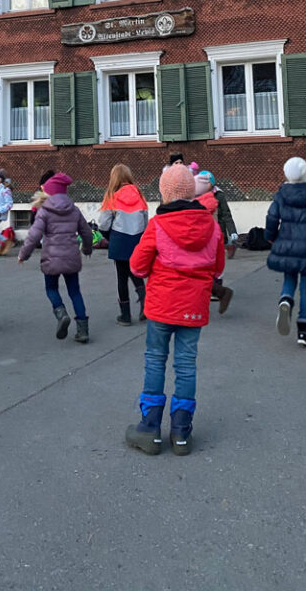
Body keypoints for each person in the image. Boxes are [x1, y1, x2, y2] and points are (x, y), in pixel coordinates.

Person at [124, 163, 224, 456]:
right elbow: (217, 268)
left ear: (165, 193)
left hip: (161, 306)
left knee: (155, 360)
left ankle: (150, 429)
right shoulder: (211, 224)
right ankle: (181, 433)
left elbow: (137, 266)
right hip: (194, 306)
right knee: (186, 365)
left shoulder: (158, 225)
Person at [18, 172, 93, 343]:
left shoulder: (44, 211)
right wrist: (87, 249)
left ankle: (61, 313)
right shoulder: (74, 209)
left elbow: (33, 236)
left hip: (51, 258)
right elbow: (86, 233)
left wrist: (23, 254)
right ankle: (83, 330)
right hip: (71, 258)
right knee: (75, 292)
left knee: (51, 289)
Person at [265, 157, 306, 348]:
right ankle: (304, 329)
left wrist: (271, 237)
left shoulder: (281, 195)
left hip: (286, 243)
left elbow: (272, 218)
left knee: (289, 277)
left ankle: (286, 299)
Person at [97, 164, 148, 325]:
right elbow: (145, 219)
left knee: (122, 278)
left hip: (119, 238)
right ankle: (145, 304)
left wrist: (108, 236)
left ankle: (125, 315)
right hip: (137, 239)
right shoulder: (139, 194)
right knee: (136, 273)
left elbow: (104, 224)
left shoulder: (111, 196)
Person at [195, 169, 236, 313]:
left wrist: (232, 232)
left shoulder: (218, 196)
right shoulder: (197, 198)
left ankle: (217, 288)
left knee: (214, 264)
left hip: (215, 234)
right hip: (208, 235)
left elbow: (226, 214)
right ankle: (217, 290)